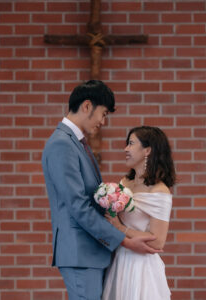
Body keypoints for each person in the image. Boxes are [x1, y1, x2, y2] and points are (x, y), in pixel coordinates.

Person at [42, 80, 161, 300]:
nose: (103, 122)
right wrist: (123, 239)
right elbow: (78, 206)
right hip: (81, 253)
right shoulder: (62, 144)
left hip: (91, 253)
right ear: (87, 106)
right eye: (103, 114)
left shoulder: (77, 143)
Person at [102, 126, 176, 300]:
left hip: (141, 266)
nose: (125, 149)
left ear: (147, 150)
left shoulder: (159, 191)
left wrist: (120, 228)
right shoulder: (124, 183)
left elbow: (157, 241)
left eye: (131, 144)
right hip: (118, 260)